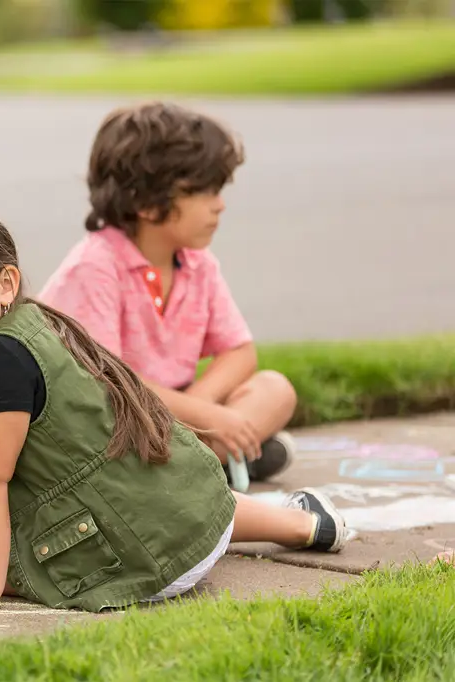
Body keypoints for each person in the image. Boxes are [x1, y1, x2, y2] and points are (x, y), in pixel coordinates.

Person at [0, 210, 347, 617]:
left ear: (5, 283)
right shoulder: (38, 325)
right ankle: (305, 524)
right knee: (129, 497)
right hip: (192, 525)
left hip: (136, 564)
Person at [38, 101, 298, 483]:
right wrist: (209, 418)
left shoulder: (197, 262)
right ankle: (220, 460)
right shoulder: (94, 267)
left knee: (275, 390)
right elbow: (108, 383)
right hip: (109, 421)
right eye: (204, 191)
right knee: (127, 443)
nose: (220, 205)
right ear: (147, 203)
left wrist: (200, 407)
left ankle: (200, 465)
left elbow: (239, 352)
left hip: (172, 418)